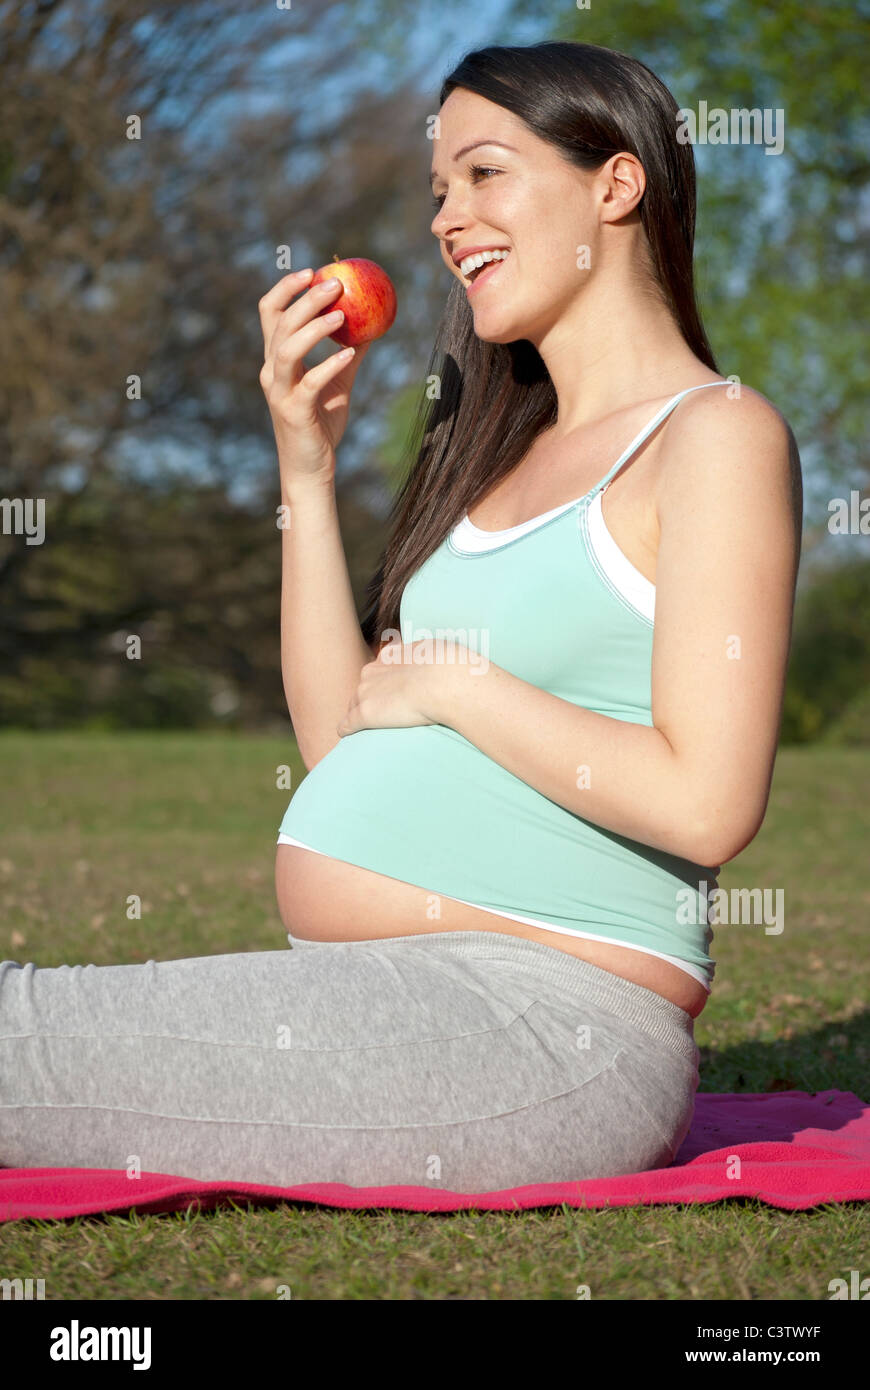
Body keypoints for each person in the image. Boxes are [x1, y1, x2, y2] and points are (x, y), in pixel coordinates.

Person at [0, 41, 801, 1193]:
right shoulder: (498, 454)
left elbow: (710, 799)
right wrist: (306, 468)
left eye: (484, 174)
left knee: (20, 1034)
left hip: (546, 1028)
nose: (446, 219)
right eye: (437, 191)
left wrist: (458, 684)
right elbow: (343, 736)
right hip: (407, 991)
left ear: (616, 185)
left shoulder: (714, 435)